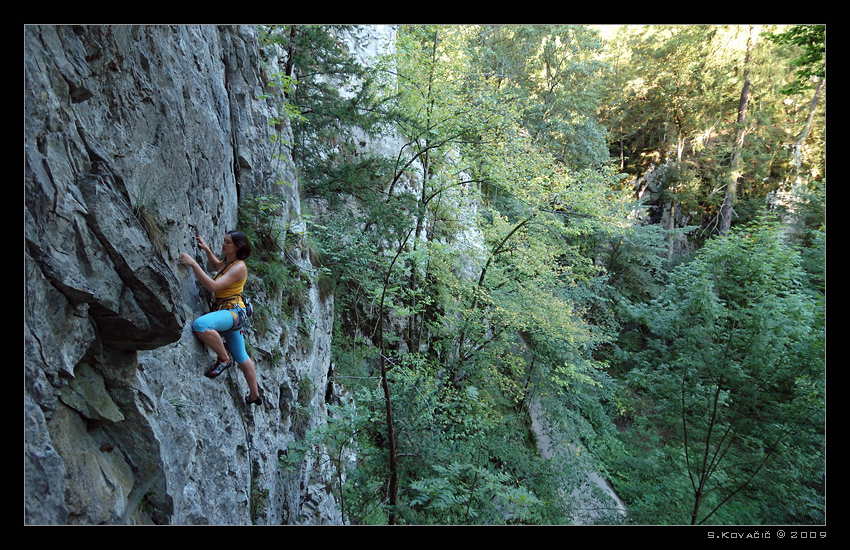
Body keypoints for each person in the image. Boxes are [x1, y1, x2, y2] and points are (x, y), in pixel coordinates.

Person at [180, 231, 261, 405]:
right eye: (224, 241)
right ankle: (255, 396)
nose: (223, 244)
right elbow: (217, 266)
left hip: (231, 313)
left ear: (238, 246)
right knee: (242, 356)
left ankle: (224, 359)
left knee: (201, 325)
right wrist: (207, 250)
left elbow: (213, 286)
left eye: (227, 242)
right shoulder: (229, 262)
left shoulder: (239, 266)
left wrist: (193, 264)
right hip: (233, 312)